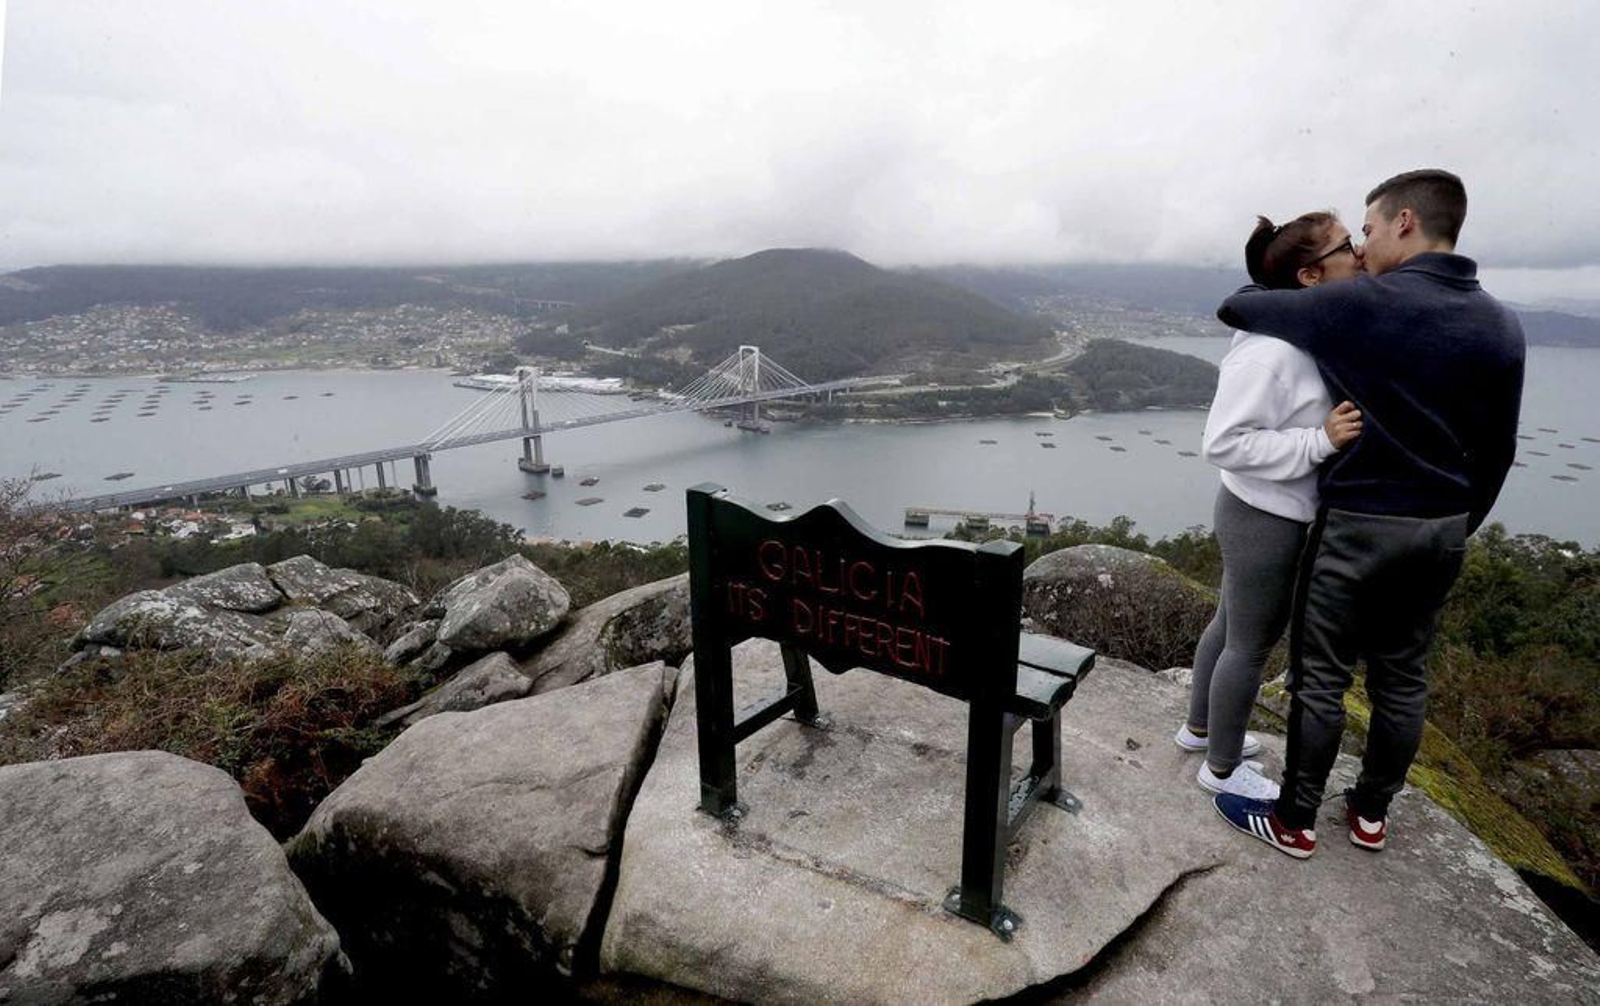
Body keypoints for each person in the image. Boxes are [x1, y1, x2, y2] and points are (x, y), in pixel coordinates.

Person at [1211, 169, 1525, 858]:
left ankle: (1294, 821)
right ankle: (1370, 814)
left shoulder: (1364, 306)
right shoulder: (1502, 324)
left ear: (1405, 222)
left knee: (1322, 678)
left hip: (1359, 524)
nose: (1366, 243)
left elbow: (1240, 306)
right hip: (1440, 528)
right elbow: (1498, 451)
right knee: (1403, 678)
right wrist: (1457, 525)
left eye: (1371, 228)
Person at [1177, 211, 1364, 801]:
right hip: (1266, 515)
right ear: (1310, 276)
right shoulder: (1271, 353)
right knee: (1250, 643)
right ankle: (1224, 769)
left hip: (1258, 508)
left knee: (1231, 623)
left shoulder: (1296, 334)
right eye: (1346, 246)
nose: (1358, 254)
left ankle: (1200, 730)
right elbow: (1223, 442)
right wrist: (1321, 441)